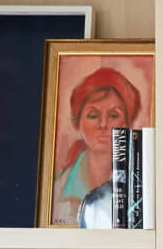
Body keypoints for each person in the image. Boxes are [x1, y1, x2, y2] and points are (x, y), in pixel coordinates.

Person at [51, 67, 141, 226]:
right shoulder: (58, 188)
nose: (103, 124)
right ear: (78, 123)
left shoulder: (140, 185)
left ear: (127, 123)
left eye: (114, 115)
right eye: (93, 115)